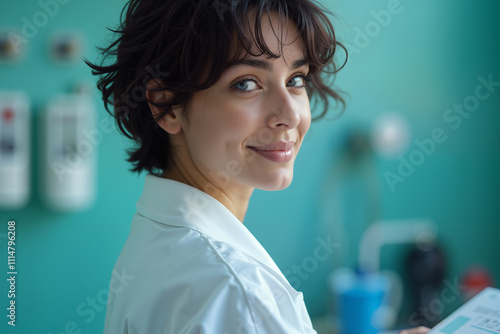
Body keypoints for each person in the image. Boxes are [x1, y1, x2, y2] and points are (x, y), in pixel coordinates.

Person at [87, 0, 432, 333]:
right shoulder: (235, 291)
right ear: (167, 104)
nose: (289, 115)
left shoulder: (159, 235)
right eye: (246, 84)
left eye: (296, 79)